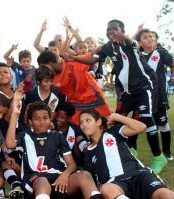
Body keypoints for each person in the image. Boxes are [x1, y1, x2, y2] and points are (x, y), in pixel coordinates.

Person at [71, 19, 167, 174]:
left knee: (146, 117)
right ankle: (128, 148)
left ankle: (158, 157)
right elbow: (92, 59)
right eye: (108, 29)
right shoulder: (107, 47)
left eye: (114, 29)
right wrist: (74, 58)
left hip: (145, 85)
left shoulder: (128, 43)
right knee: (114, 119)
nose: (110, 32)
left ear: (122, 31)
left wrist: (123, 37)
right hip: (128, 91)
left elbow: (129, 39)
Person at [6, 100, 104, 199]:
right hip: (36, 179)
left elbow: (72, 164)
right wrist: (14, 114)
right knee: (42, 181)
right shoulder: (25, 136)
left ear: (50, 119)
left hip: (59, 178)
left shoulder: (57, 136)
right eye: (37, 119)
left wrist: (65, 175)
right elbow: (9, 144)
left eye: (45, 118)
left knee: (85, 175)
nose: (42, 122)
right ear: (30, 121)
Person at [80, 109, 174, 199]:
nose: (84, 124)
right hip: (116, 184)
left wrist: (116, 116)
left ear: (99, 122)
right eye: (81, 122)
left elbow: (141, 127)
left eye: (88, 120)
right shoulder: (88, 154)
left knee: (167, 195)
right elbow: (91, 183)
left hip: (140, 175)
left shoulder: (113, 132)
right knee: (106, 189)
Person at [136, 28, 174, 161]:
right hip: (144, 96)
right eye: (146, 37)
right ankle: (156, 155)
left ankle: (167, 152)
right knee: (148, 123)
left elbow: (172, 65)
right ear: (140, 42)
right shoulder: (138, 56)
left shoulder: (161, 53)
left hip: (160, 95)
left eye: (152, 36)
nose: (150, 38)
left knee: (163, 123)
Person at [54, 102, 88, 167]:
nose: (58, 119)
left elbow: (80, 139)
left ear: (69, 119)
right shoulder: (52, 128)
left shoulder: (75, 129)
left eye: (62, 117)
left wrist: (84, 146)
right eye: (57, 116)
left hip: (72, 163)